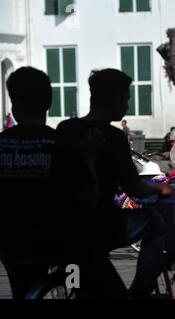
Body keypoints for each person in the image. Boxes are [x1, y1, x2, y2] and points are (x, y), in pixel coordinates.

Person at [56, 69, 173, 299]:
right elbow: (134, 188)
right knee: (156, 221)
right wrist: (160, 187)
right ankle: (140, 290)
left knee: (82, 283)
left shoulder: (65, 129)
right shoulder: (114, 136)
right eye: (126, 98)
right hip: (99, 224)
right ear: (113, 99)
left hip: (65, 225)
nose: (127, 106)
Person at [0, 67, 102, 299]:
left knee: (22, 289)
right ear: (49, 102)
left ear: (14, 104)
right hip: (59, 243)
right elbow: (89, 197)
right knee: (75, 282)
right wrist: (89, 159)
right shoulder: (61, 145)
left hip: (11, 242)